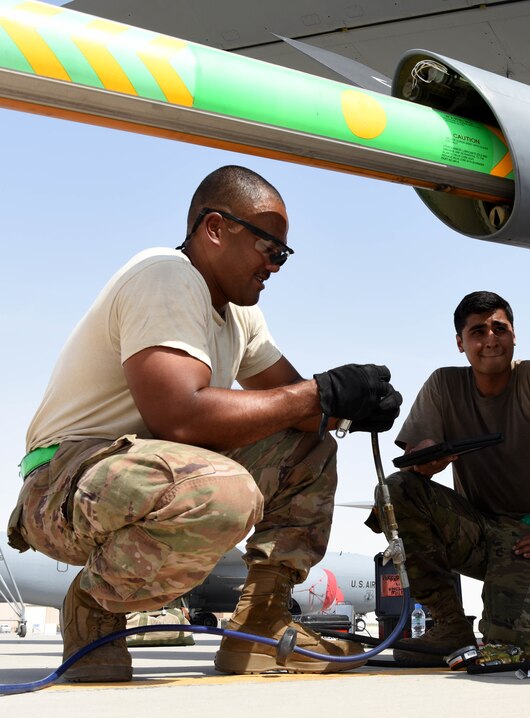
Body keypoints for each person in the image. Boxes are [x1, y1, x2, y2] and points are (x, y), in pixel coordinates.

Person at [7, 166, 402, 682]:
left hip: (142, 474)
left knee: (310, 445)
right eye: (270, 248)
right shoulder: (164, 275)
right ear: (215, 229)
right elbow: (180, 417)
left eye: (284, 254)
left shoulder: (239, 314)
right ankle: (94, 604)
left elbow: (297, 411)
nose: (276, 265)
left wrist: (349, 404)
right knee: (221, 491)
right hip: (62, 482)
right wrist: (320, 392)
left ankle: (260, 624)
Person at [368, 291, 530, 665]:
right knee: (396, 490)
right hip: (480, 531)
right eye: (477, 331)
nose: (490, 340)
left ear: (514, 335)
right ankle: (449, 624)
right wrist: (426, 461)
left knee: (515, 649)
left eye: (499, 328)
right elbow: (412, 463)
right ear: (460, 342)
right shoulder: (444, 385)